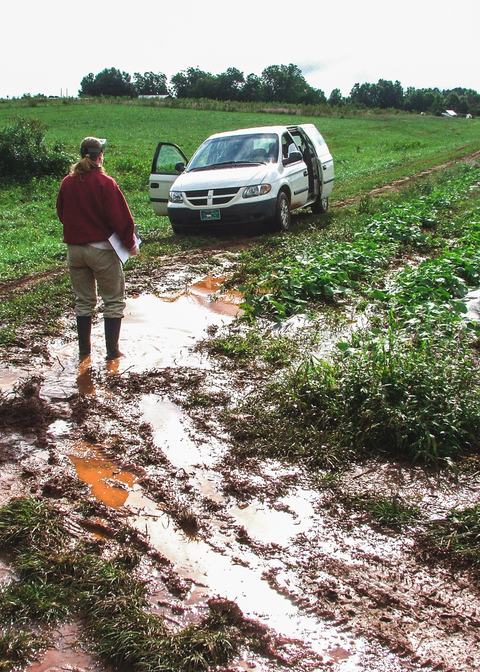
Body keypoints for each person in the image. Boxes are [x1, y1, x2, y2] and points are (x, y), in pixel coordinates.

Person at [56, 137, 138, 361]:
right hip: (102, 250)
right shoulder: (105, 182)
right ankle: (112, 353)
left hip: (75, 251)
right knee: (113, 301)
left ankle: (85, 353)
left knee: (83, 302)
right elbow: (121, 219)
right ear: (99, 156)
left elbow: (62, 214)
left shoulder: (67, 182)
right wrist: (130, 244)